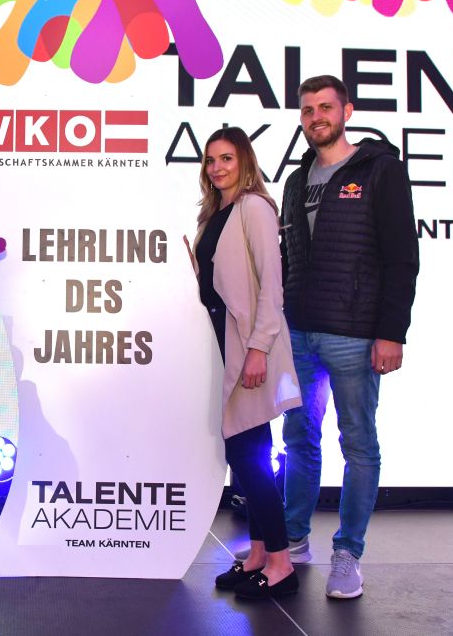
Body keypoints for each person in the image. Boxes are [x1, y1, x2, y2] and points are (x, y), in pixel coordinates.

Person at [279, 75, 419, 599]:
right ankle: (293, 540)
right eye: (308, 109)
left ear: (346, 112)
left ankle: (348, 554)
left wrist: (391, 332)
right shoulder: (296, 181)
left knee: (358, 443)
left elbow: (402, 257)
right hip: (300, 332)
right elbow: (288, 257)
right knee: (298, 438)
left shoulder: (380, 170)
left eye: (325, 107)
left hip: (356, 336)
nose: (316, 117)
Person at [191, 127, 303, 599]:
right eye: (211, 160)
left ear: (245, 162)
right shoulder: (216, 212)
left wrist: (259, 348)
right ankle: (258, 554)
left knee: (251, 457)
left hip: (247, 348)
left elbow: (272, 288)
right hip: (223, 345)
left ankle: (281, 564)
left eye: (227, 159)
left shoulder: (255, 208)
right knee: (246, 455)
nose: (217, 167)